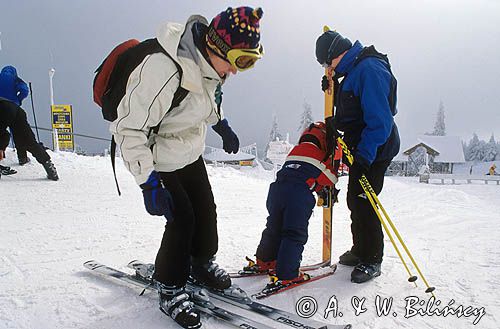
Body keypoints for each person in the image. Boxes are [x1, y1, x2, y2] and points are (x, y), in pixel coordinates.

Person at [109, 6, 264, 329]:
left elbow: (205, 100)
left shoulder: (213, 65)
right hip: (158, 156)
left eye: (250, 62)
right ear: (218, 47)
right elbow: (128, 129)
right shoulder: (163, 69)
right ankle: (171, 284)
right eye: (241, 61)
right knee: (182, 219)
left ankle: (201, 263)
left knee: (206, 210)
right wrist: (148, 182)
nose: (238, 71)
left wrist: (221, 125)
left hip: (188, 150)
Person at [315, 29, 400, 283]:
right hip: (361, 147)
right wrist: (334, 88)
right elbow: (353, 107)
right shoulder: (351, 70)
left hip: (375, 148)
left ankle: (373, 258)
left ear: (336, 55)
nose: (327, 69)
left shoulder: (369, 70)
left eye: (326, 63)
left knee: (366, 201)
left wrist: (364, 158)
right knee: (355, 199)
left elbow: (379, 123)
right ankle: (360, 249)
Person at [243, 122, 339, 289]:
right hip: (297, 196)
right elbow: (330, 179)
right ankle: (287, 274)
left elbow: (300, 172)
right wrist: (332, 165)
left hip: (276, 192)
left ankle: (265, 261)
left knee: (273, 228)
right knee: (293, 233)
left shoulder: (294, 151)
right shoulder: (318, 155)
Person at [0, 98, 59, 180]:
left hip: (10, 112)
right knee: (28, 140)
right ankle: (46, 166)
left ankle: (45, 164)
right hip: (16, 111)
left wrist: (1, 148)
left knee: (26, 141)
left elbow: (5, 135)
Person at [0, 65, 31, 165]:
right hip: (13, 109)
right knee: (18, 133)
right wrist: (18, 100)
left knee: (1, 131)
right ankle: (22, 158)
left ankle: (1, 153)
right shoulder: (15, 79)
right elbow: (24, 90)